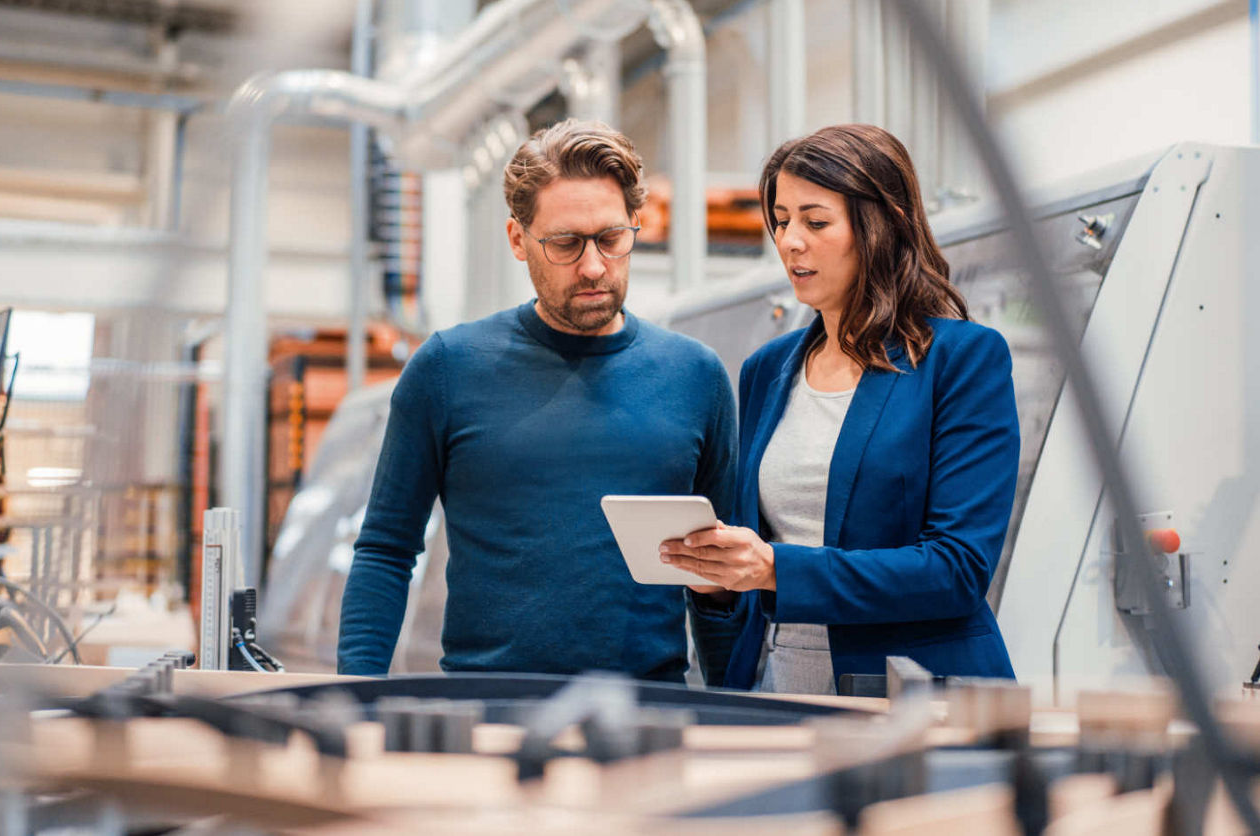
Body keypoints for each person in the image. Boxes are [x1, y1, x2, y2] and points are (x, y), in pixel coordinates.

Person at [337, 118, 738, 681]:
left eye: (611, 239)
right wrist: (355, 696)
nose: (593, 266)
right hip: (487, 707)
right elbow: (386, 550)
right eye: (566, 244)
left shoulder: (695, 375)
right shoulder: (448, 368)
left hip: (649, 712)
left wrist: (732, 705)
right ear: (517, 240)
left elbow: (720, 576)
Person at [660, 124, 1019, 692]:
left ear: (881, 227)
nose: (790, 241)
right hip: (779, 684)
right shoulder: (766, 370)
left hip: (910, 692)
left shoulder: (961, 359)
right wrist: (719, 581)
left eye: (816, 221)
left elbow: (957, 569)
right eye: (781, 220)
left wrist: (776, 568)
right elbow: (759, 566)